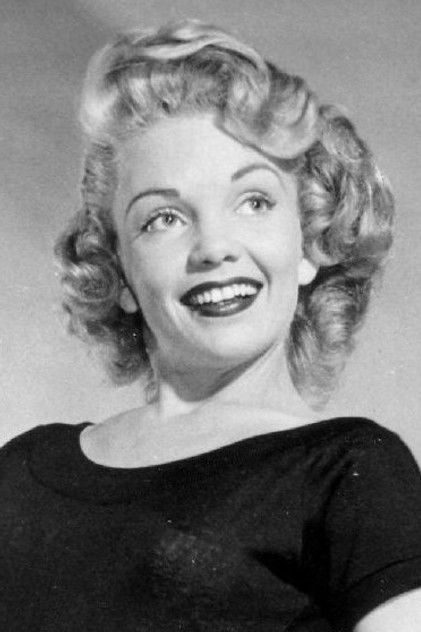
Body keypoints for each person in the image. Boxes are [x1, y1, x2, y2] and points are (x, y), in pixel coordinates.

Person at [1, 19, 420, 632]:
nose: (214, 247)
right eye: (163, 218)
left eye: (253, 202)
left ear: (309, 243)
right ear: (117, 273)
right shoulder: (20, 471)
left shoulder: (351, 474)